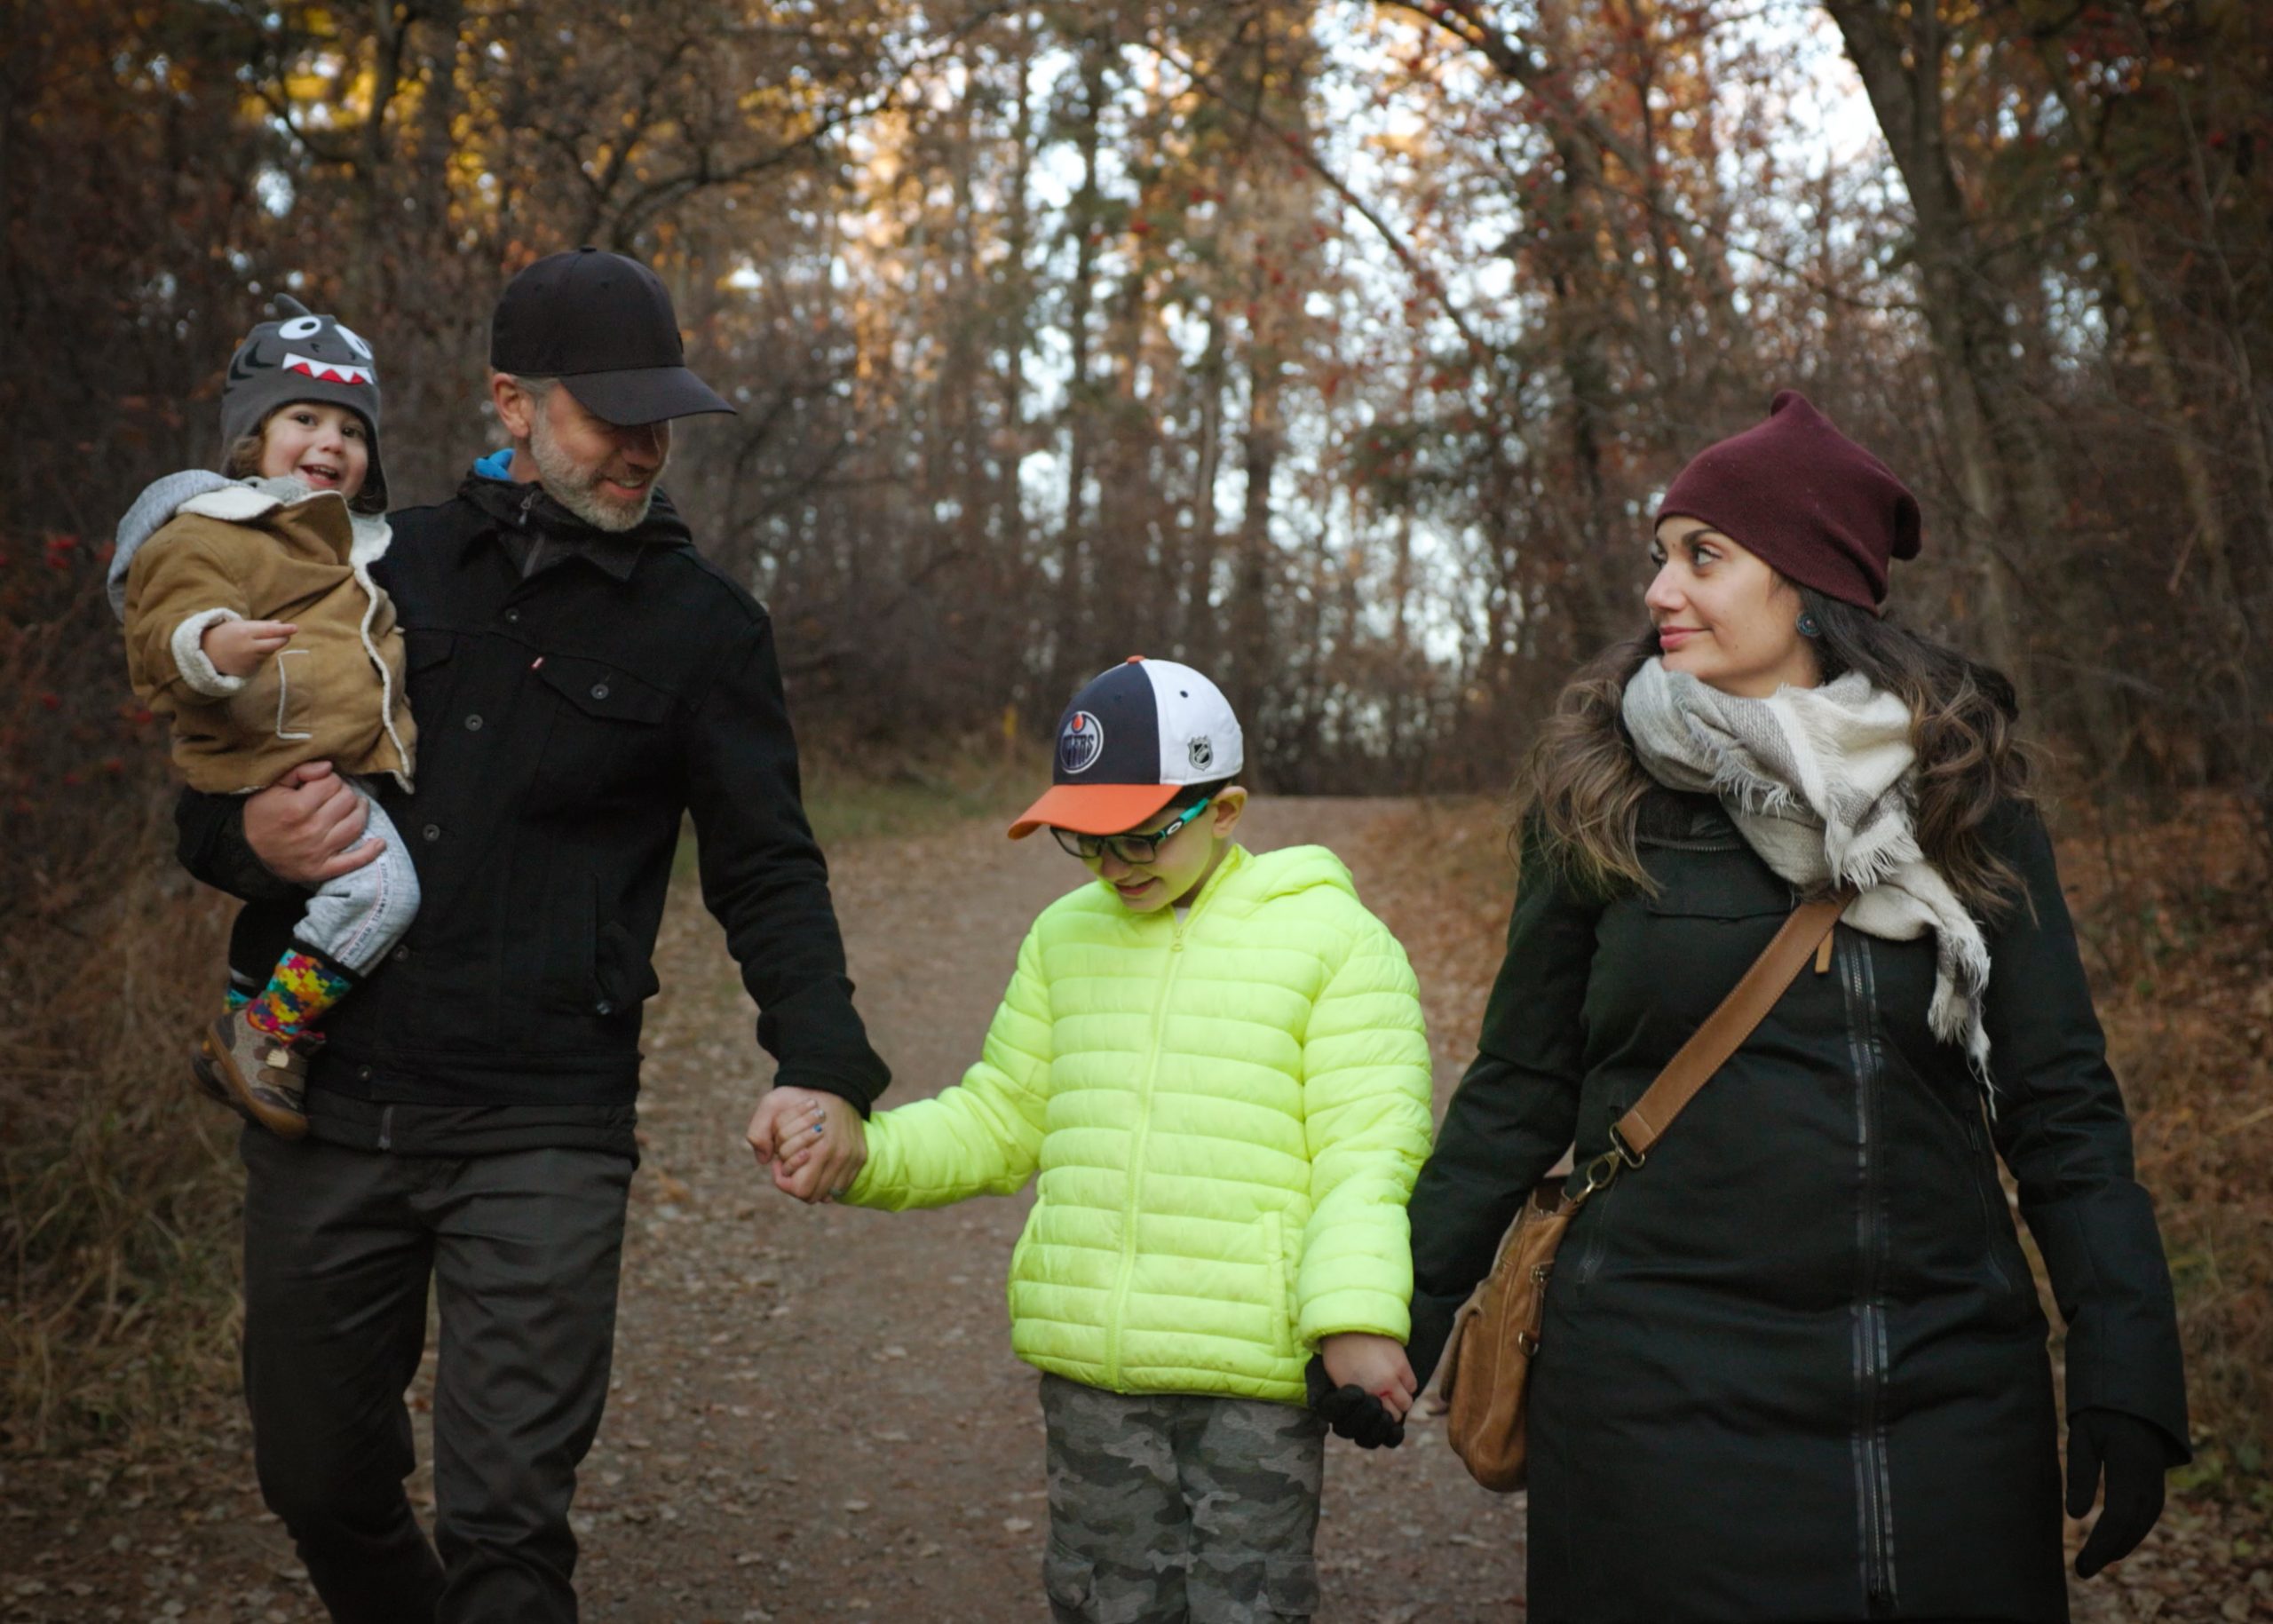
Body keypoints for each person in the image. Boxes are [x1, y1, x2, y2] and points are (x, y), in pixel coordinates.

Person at [173, 248, 890, 1623]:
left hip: (543, 1125)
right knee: (319, 1480)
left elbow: (769, 869)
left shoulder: (706, 629)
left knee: (508, 1520)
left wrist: (826, 1057)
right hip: (331, 1107)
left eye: (658, 416)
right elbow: (211, 794)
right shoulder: (372, 569)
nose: (641, 447)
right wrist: (243, 840)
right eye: (606, 414)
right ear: (512, 403)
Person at [1404, 392, 2190, 1623]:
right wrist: (1398, 1310)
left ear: (1811, 587)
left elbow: (2061, 1102)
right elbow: (1518, 1085)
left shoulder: (1961, 800)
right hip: (1656, 1402)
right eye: (1659, 556)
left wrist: (2127, 1357)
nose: (1661, 590)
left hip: (1941, 1390)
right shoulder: (1605, 797)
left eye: (1702, 556)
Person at [756, 656, 1436, 1624]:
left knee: (1248, 1604)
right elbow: (999, 1116)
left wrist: (1355, 1315)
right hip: (1093, 1369)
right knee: (1105, 1599)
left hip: (1254, 1372)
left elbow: (1367, 1152)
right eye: (1085, 839)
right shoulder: (1063, 936)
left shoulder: (1335, 943)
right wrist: (865, 1150)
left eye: (1141, 835)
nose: (1114, 865)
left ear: (1226, 809)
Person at [111, 298, 418, 1136]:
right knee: (385, 892)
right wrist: (213, 640)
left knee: (312, 902)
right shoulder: (214, 527)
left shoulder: (352, 547)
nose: (332, 442)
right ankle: (267, 1031)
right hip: (273, 758)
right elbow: (166, 617)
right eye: (305, 418)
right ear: (253, 438)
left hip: (322, 759)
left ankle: (249, 991)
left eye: (353, 431)